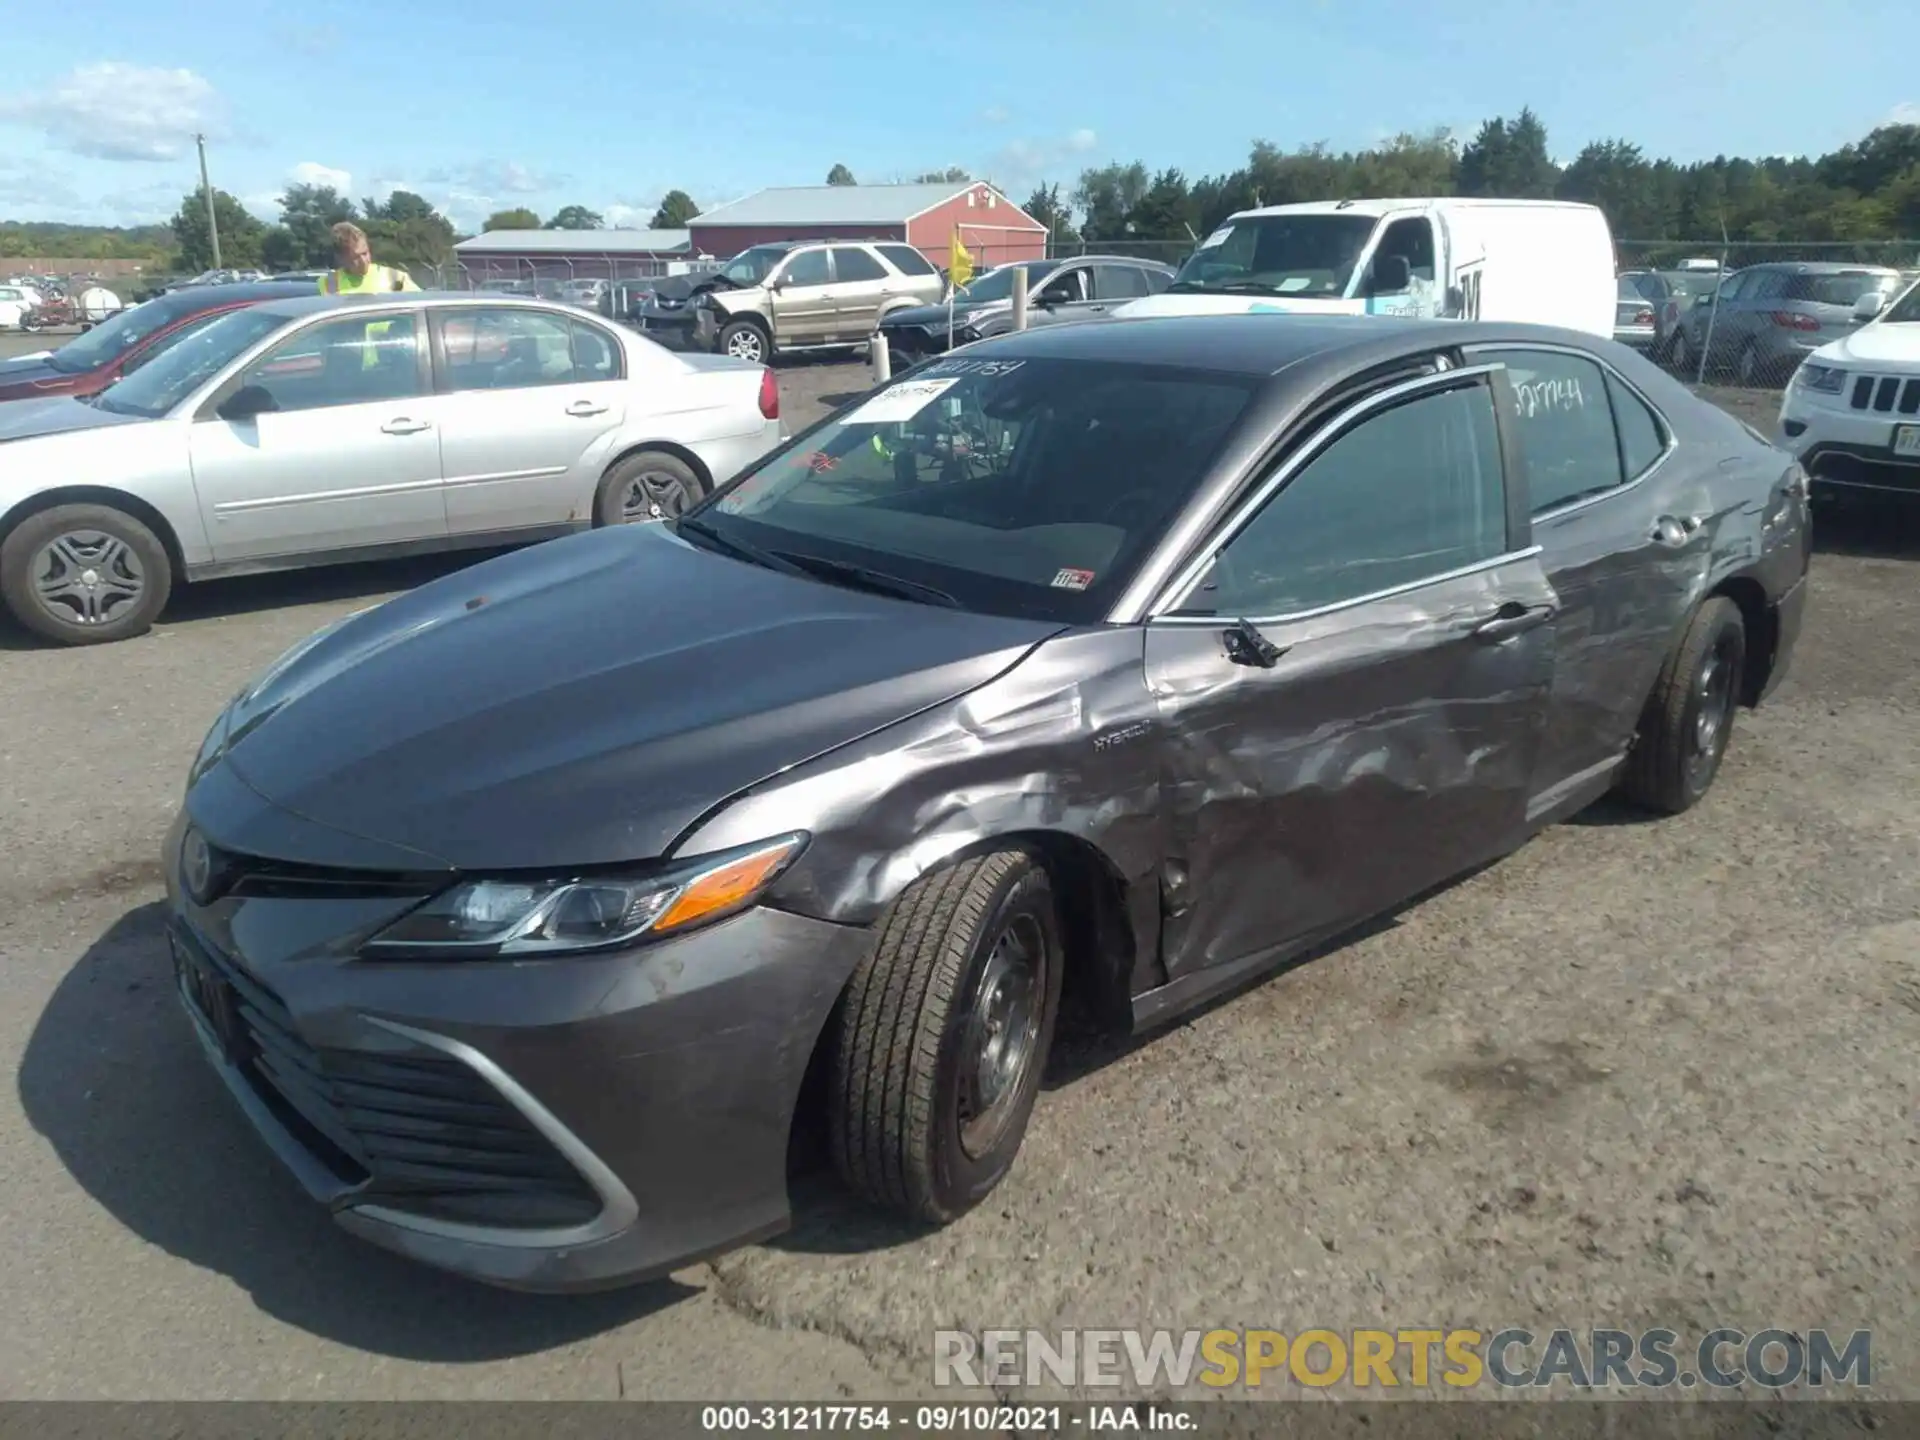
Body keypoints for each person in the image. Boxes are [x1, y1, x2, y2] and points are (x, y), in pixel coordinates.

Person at [318, 222, 420, 294]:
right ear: (341, 258)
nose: (364, 261)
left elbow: (423, 308)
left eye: (365, 253)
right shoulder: (328, 284)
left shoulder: (395, 278)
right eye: (356, 257)